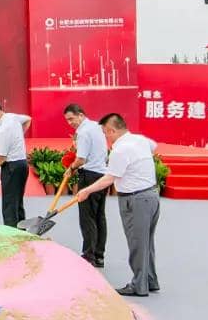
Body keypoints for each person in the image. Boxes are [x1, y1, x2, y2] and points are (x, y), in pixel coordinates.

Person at [74, 113, 161, 297]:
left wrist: (86, 191)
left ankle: (139, 285)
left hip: (135, 200)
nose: (106, 137)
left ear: (112, 130)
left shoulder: (120, 150)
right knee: (147, 242)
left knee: (137, 243)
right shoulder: (140, 140)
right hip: (151, 196)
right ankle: (150, 279)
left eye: (106, 133)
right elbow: (154, 147)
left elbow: (110, 178)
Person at [64, 104, 109, 268]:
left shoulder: (83, 132)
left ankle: (88, 255)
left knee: (87, 217)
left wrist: (71, 168)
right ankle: (99, 255)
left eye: (72, 119)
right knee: (99, 216)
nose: (70, 123)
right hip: (102, 175)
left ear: (81, 115)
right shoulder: (97, 126)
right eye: (67, 120)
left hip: (89, 176)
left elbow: (81, 159)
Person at [0, 100, 32, 227]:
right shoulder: (12, 117)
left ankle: (11, 232)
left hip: (11, 167)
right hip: (22, 165)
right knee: (17, 201)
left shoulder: (3, 130)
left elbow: (2, 158)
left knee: (9, 203)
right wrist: (18, 138)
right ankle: (21, 231)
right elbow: (28, 119)